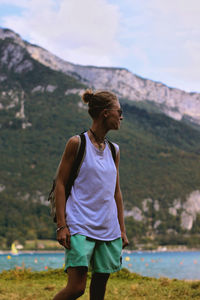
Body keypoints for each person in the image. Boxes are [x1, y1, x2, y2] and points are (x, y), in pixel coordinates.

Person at [53, 89, 129, 300]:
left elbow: (116, 191)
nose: (121, 116)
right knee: (77, 288)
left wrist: (121, 229)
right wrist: (62, 225)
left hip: (108, 228)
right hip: (80, 226)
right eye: (119, 111)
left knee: (99, 290)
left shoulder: (114, 150)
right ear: (105, 113)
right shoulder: (77, 143)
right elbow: (60, 183)